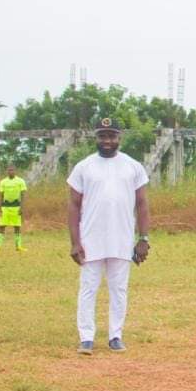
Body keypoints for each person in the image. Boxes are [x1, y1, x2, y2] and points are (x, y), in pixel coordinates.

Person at [67, 118, 151, 355]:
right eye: (103, 136)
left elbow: (142, 204)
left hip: (121, 239)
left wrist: (144, 238)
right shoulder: (84, 167)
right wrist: (75, 242)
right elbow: (73, 206)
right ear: (96, 138)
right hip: (90, 239)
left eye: (111, 136)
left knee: (119, 289)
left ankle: (116, 335)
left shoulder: (133, 166)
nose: (107, 141)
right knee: (88, 288)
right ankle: (86, 338)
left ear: (119, 138)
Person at [0, 164, 27, 252]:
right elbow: (0, 195)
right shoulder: (3, 182)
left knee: (17, 227)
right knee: (1, 226)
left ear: (15, 171)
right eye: (9, 170)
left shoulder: (20, 181)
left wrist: (22, 207)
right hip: (5, 207)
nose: (11, 172)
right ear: (6, 171)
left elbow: (23, 195)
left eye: (12, 170)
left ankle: (18, 246)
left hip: (16, 206)